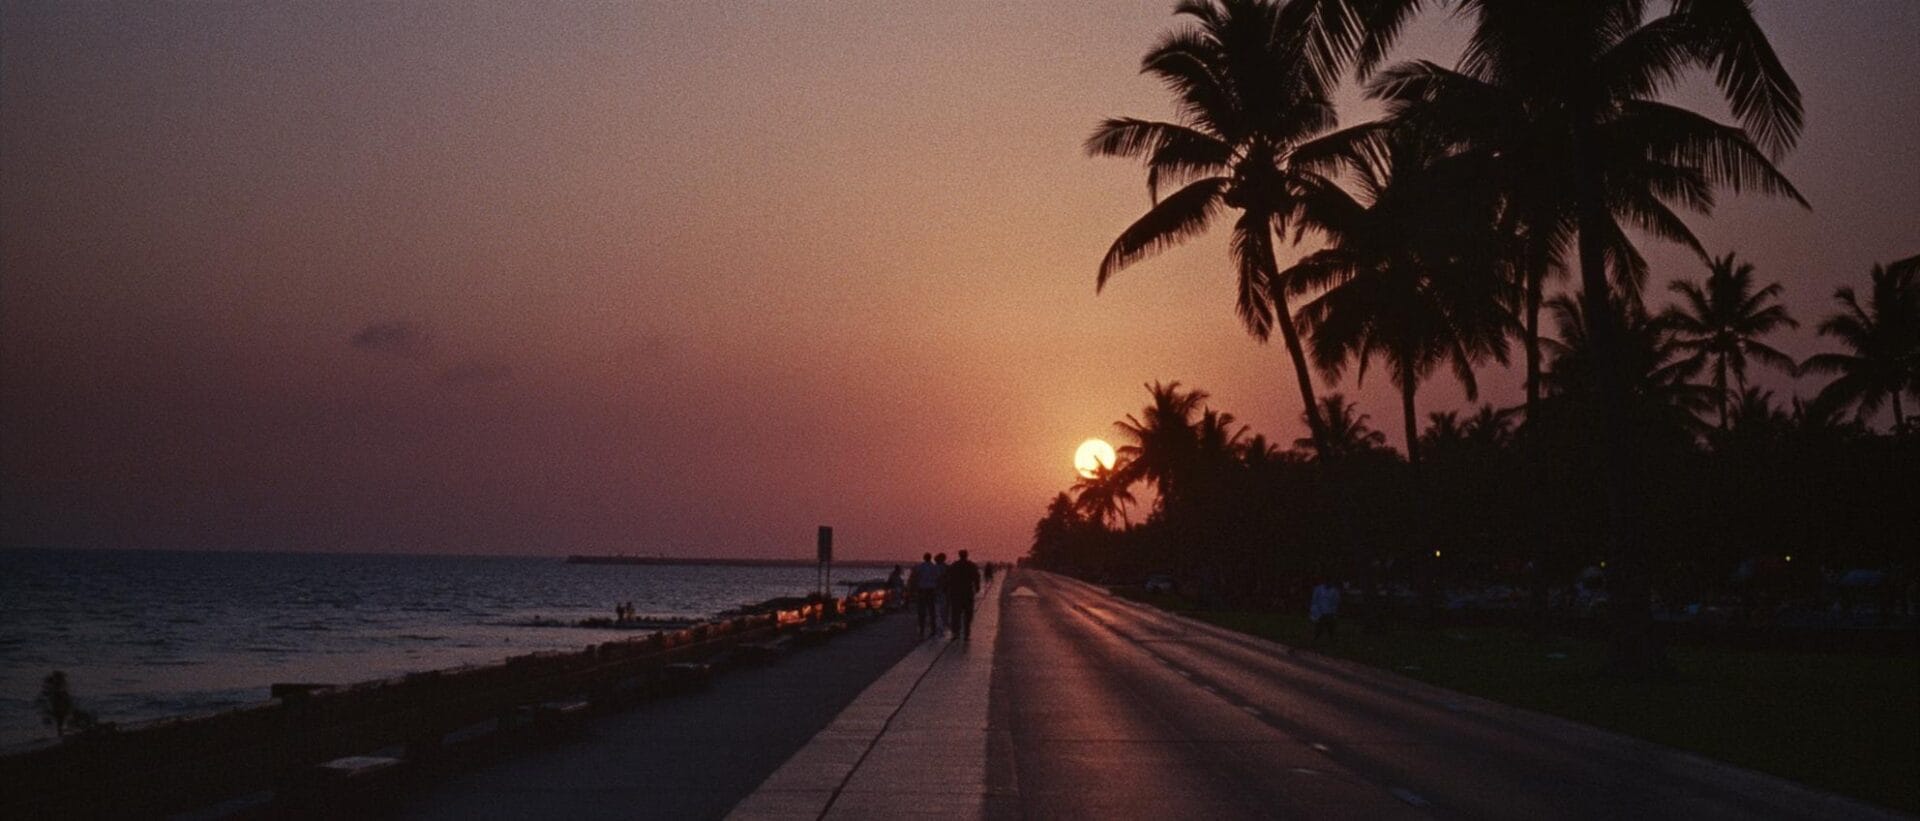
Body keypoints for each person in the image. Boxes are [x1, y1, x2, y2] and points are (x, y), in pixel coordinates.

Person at [945, 550, 981, 640]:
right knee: (968, 614)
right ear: (966, 555)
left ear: (959, 555)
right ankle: (966, 633)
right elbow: (976, 577)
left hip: (956, 592)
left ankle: (956, 633)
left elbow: (948, 578)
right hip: (967, 592)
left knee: (955, 613)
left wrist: (948, 589)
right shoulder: (971, 565)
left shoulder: (954, 566)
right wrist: (977, 587)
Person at [910, 553, 941, 638]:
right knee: (932, 611)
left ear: (924, 558)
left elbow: (915, 578)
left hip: (922, 590)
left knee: (922, 611)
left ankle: (922, 630)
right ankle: (933, 630)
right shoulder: (934, 567)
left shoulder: (920, 567)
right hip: (931, 590)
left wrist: (913, 590)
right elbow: (938, 578)